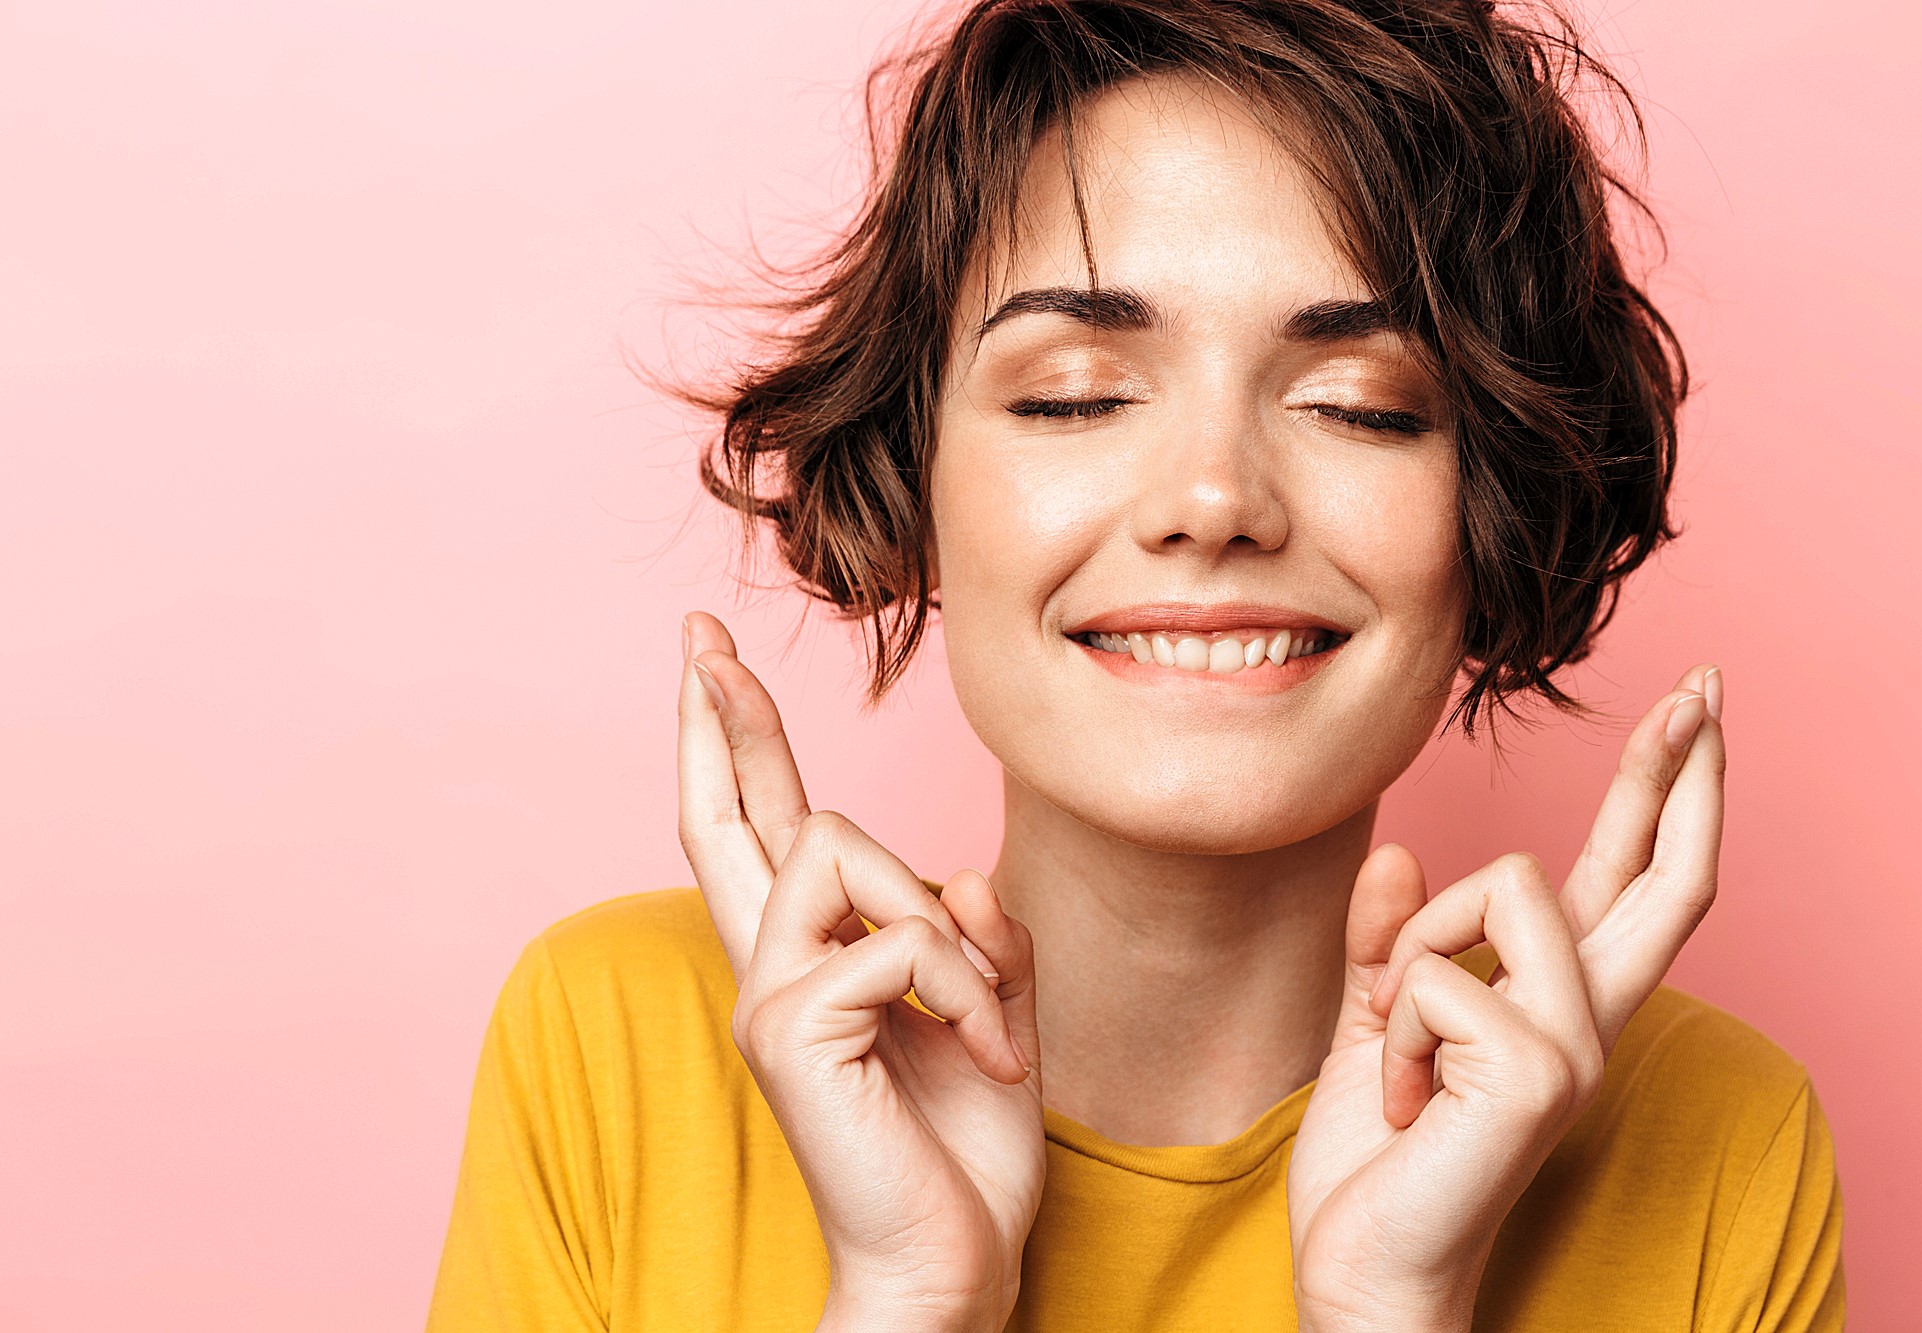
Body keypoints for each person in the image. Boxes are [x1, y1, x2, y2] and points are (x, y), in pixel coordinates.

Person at [426, 1, 1845, 1328]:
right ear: (913, 491)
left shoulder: (1712, 1137)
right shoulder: (626, 1041)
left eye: (1359, 406)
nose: (1213, 496)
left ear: (1492, 521)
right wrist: (904, 1292)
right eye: (1077, 394)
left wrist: (1384, 1307)